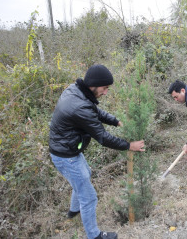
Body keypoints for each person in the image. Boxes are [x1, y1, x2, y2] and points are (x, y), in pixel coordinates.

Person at [49, 64, 145, 239]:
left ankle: (73, 211)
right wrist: (129, 145)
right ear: (93, 85)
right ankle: (94, 236)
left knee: (85, 176)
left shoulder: (76, 91)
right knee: (90, 197)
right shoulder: (80, 106)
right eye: (105, 88)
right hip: (66, 156)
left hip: (66, 150)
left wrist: (116, 121)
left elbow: (95, 112)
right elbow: (102, 137)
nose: (106, 92)